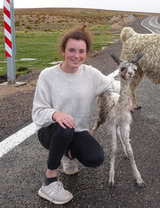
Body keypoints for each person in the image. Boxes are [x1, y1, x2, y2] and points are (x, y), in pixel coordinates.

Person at [32, 25, 120, 204]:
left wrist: (125, 98)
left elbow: (113, 84)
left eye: (81, 51)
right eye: (71, 50)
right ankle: (49, 182)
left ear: (86, 53)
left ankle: (68, 154)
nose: (76, 55)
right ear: (63, 50)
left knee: (96, 158)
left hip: (77, 130)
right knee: (65, 128)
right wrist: (56, 114)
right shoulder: (47, 76)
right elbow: (38, 112)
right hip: (51, 131)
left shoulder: (91, 74)